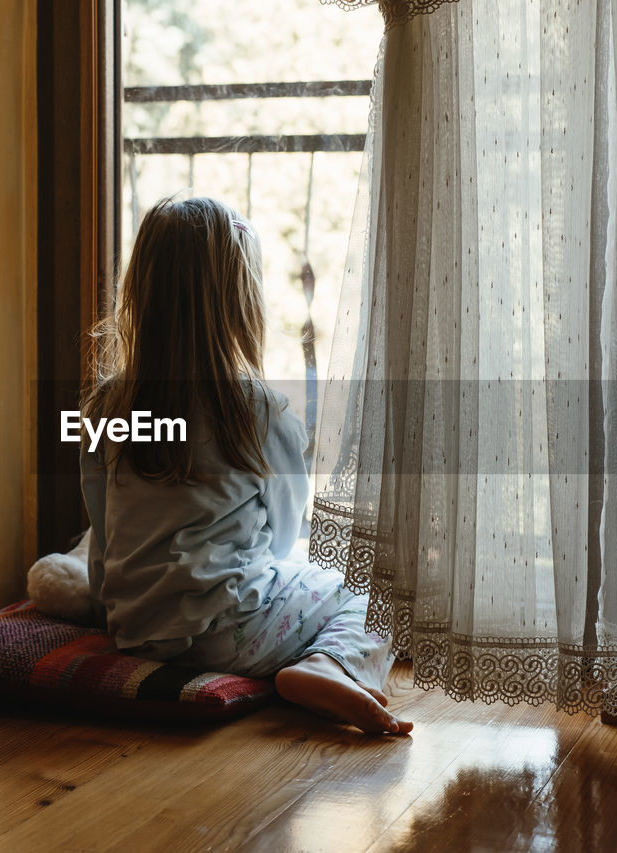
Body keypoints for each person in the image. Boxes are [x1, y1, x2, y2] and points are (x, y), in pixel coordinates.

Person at [80, 196, 412, 735]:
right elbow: (283, 532)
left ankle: (310, 664)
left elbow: (103, 526)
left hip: (135, 630)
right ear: (241, 302)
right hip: (230, 633)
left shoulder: (106, 406)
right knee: (378, 589)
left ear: (140, 291)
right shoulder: (257, 409)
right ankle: (329, 666)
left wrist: (109, 607)